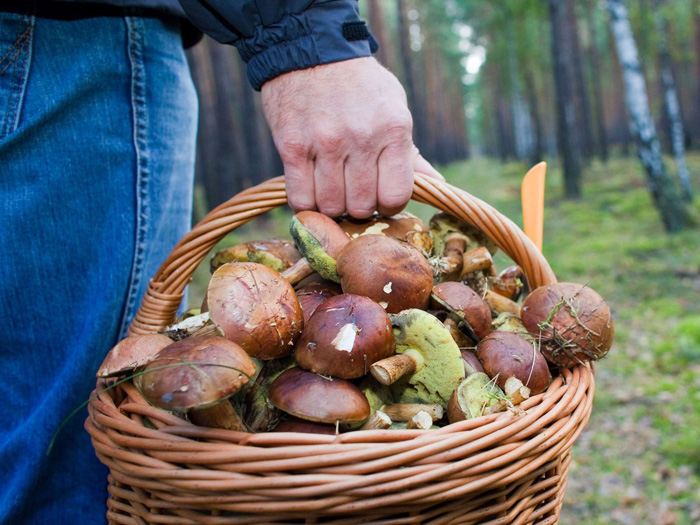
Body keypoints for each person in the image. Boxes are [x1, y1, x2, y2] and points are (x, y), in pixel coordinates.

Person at [0, 1, 441, 523]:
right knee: (75, 456)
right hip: (73, 40)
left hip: (45, 44)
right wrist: (310, 40)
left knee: (31, 432)